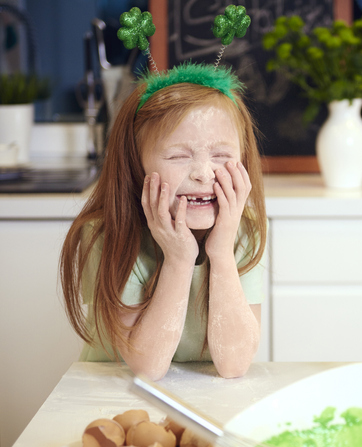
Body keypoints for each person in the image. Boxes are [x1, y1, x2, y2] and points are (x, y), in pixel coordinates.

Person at [59, 63, 267, 381]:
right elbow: (148, 367)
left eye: (222, 155)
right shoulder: (106, 234)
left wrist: (222, 252)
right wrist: (178, 258)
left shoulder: (243, 231)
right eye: (177, 156)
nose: (203, 173)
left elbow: (235, 364)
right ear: (136, 166)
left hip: (200, 393)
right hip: (111, 392)